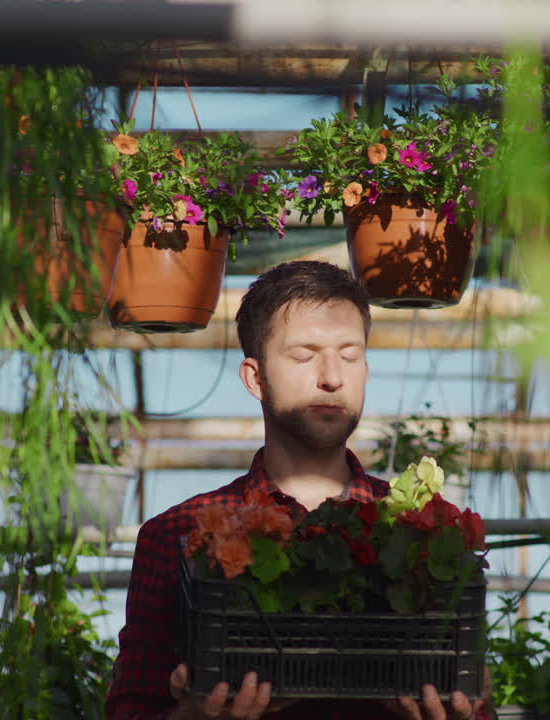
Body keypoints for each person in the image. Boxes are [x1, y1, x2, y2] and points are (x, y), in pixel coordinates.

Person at [106, 260, 491, 720]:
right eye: (304, 355)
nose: (332, 376)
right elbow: (130, 710)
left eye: (349, 355)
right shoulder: (176, 534)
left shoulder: (418, 530)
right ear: (255, 378)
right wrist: (194, 715)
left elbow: (472, 702)